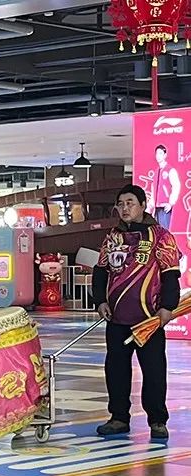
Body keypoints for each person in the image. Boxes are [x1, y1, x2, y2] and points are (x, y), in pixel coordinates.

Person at [92, 184, 180, 439]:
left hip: (149, 319)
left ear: (143, 205)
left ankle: (157, 420)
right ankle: (119, 417)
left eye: (130, 203)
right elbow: (101, 271)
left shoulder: (161, 236)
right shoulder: (112, 237)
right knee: (116, 369)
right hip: (117, 318)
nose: (124, 208)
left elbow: (170, 274)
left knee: (153, 371)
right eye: (120, 204)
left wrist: (167, 307)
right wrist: (100, 301)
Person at [153, 145, 181, 230]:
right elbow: (154, 189)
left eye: (160, 153)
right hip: (156, 206)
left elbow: (176, 186)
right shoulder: (156, 171)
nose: (158, 156)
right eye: (157, 153)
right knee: (157, 231)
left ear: (165, 155)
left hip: (165, 206)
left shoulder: (170, 170)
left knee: (164, 231)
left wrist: (171, 203)